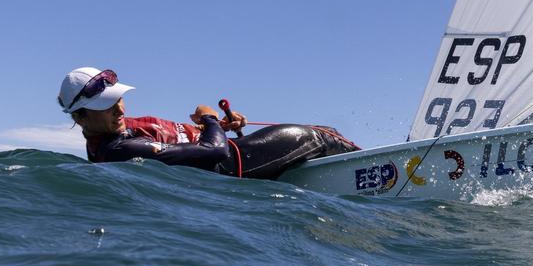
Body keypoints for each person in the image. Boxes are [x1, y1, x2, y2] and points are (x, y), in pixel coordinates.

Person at [57, 67, 356, 179]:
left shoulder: (115, 129)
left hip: (236, 150)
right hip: (238, 161)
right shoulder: (118, 149)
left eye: (117, 98)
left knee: (327, 132)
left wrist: (213, 127)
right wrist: (209, 116)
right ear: (79, 117)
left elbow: (180, 141)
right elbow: (215, 153)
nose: (119, 108)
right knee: (320, 136)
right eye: (106, 105)